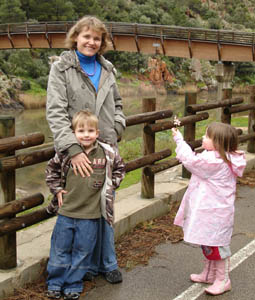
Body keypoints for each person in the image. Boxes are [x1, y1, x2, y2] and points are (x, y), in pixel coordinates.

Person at [46, 15, 125, 284]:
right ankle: (77, 268)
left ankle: (107, 262)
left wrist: (117, 128)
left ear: (102, 42)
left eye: (97, 38)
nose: (91, 42)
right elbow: (55, 112)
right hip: (76, 150)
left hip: (105, 147)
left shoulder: (108, 69)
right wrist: (72, 148)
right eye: (86, 36)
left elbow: (118, 104)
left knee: (105, 203)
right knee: (77, 206)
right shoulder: (61, 68)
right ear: (76, 37)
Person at [45, 110, 125, 300]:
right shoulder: (66, 154)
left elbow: (120, 169)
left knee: (83, 251)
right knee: (60, 249)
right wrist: (57, 190)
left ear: (97, 133)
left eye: (90, 131)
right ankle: (55, 283)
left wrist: (109, 185)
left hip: (91, 215)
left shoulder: (107, 153)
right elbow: (51, 170)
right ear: (74, 133)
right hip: (67, 212)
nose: (86, 134)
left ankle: (73, 284)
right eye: (81, 131)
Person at [171, 122, 246, 296]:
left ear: (218, 143)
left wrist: (179, 139)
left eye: (207, 136)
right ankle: (209, 273)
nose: (203, 138)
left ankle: (222, 279)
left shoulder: (214, 161)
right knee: (208, 242)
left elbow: (190, 160)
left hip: (214, 212)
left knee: (217, 246)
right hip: (212, 211)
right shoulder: (220, 156)